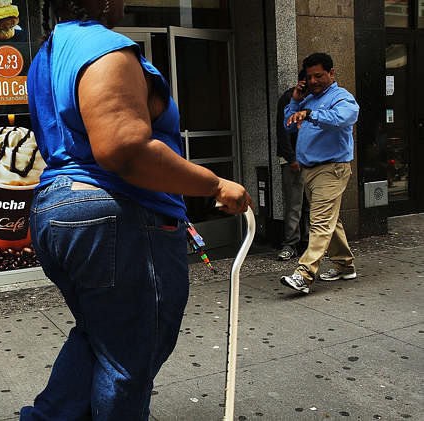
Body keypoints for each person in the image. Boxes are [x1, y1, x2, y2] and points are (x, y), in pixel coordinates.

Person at [21, 0, 252, 419]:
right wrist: (216, 184)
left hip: (58, 209)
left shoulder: (50, 52)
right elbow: (123, 150)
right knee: (131, 353)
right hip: (117, 214)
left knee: (101, 336)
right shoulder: (105, 47)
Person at [280, 52, 359, 294]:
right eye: (309, 77)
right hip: (311, 170)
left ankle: (304, 274)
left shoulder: (341, 97)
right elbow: (288, 123)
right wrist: (295, 102)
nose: (313, 81)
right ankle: (345, 266)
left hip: (332, 169)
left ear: (331, 73)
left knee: (320, 222)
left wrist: (311, 114)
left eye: (319, 76)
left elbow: (345, 117)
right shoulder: (308, 99)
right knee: (330, 221)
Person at [276, 69, 309, 261]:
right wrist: (291, 158)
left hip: (312, 158)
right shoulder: (289, 98)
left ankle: (309, 242)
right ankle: (290, 244)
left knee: (311, 205)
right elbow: (283, 130)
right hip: (294, 158)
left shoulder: (318, 99)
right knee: (295, 203)